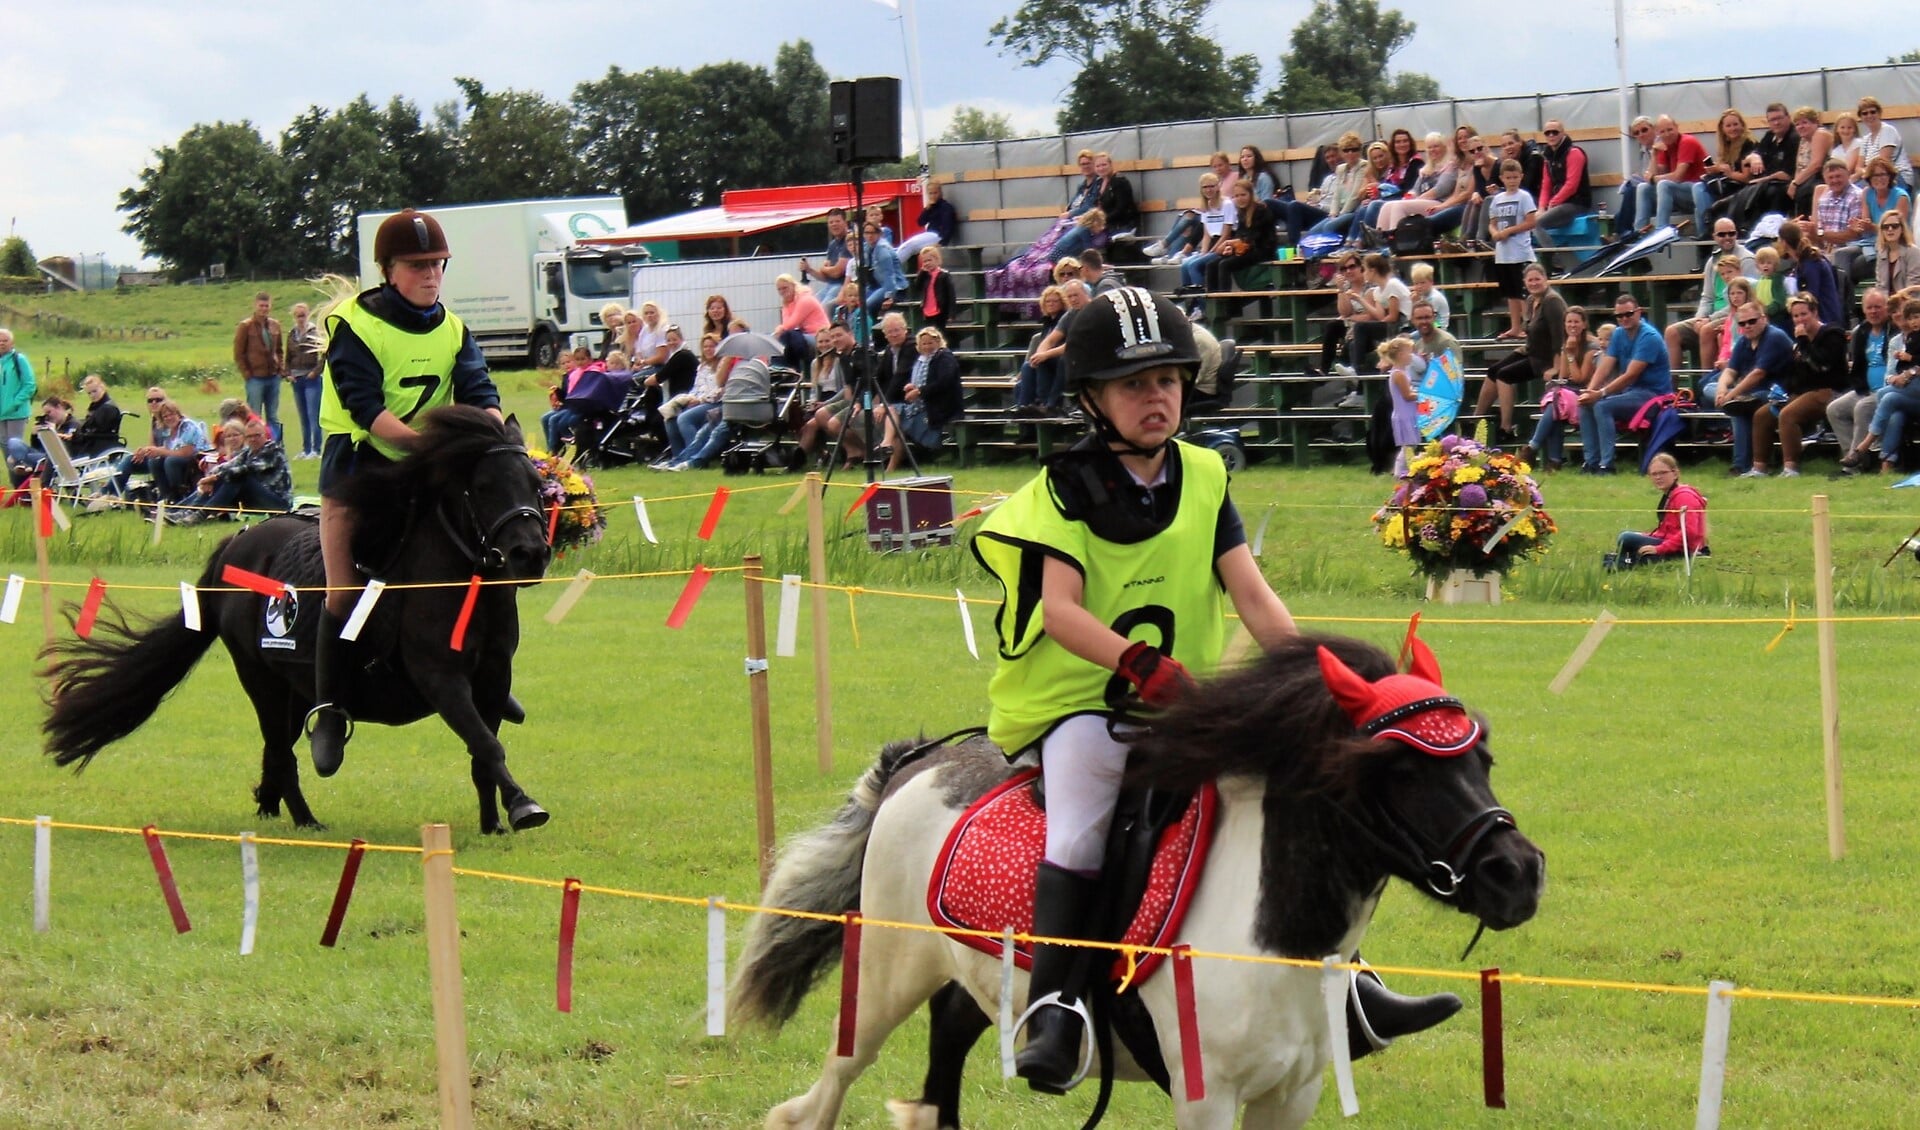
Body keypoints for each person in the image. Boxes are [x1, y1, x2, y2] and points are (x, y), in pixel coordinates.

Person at [972, 287, 1453, 1095]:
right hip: (1080, 702)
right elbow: (1059, 612)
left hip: (1185, 702)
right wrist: (1138, 666)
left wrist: (1309, 674)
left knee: (1294, 797)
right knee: (1083, 827)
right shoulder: (1061, 491)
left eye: (1167, 379)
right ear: (1091, 398)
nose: (1155, 397)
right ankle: (1056, 1004)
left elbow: (1252, 594)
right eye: (1133, 385)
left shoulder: (1202, 472)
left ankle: (1349, 983)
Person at [310, 208, 504, 777]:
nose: (431, 275)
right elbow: (368, 412)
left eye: (437, 264)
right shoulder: (355, 326)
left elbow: (480, 389)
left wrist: (490, 435)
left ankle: (488, 675)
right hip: (358, 473)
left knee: (481, 560)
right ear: (389, 269)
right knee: (344, 593)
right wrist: (433, 446)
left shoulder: (453, 327)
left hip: (427, 473)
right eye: (418, 266)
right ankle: (327, 710)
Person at [1750, 294, 1848, 476]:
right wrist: (1782, 393)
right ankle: (1759, 468)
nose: (1799, 320)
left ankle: (1791, 467)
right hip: (1803, 392)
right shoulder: (1798, 343)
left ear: (1815, 312)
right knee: (1762, 415)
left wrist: (1803, 341)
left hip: (1829, 390)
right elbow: (1797, 374)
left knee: (1788, 415)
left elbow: (1822, 366)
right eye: (1795, 316)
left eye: (1804, 314)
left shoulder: (1833, 333)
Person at [1578, 293, 1673, 474]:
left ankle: (1607, 465)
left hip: (1654, 395)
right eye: (1619, 316)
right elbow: (1605, 367)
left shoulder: (1649, 337)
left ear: (1639, 312)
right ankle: (1591, 462)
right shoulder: (1619, 334)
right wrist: (1589, 392)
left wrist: (1600, 394)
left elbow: (1630, 375)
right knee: (1585, 404)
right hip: (1631, 392)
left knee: (1602, 406)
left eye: (1628, 314)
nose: (1624, 319)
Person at [1477, 263, 1566, 444]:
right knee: (1493, 370)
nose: (1534, 283)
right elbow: (1529, 328)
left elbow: (1560, 338)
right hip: (1530, 350)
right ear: (1525, 282)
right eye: (1530, 280)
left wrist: (1556, 367)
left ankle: (1506, 428)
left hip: (1545, 358)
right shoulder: (1532, 301)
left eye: (1537, 279)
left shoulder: (1552, 302)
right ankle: (1476, 419)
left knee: (1505, 376)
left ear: (1545, 279)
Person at [1712, 300, 1796, 476]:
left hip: (1779, 393)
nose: (1747, 326)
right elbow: (1730, 371)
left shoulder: (1774, 337)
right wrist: (1721, 390)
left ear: (1763, 318)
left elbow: (1757, 374)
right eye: (1742, 323)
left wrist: (1730, 395)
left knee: (1738, 405)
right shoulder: (1744, 341)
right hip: (1751, 393)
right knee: (1713, 390)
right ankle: (1742, 465)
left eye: (1752, 321)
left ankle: (1741, 465)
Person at [170, 416, 293, 523]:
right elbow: (226, 466)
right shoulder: (248, 452)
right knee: (224, 477)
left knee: (238, 477)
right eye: (249, 436)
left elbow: (247, 469)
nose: (253, 439)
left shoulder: (274, 450)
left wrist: (215, 477)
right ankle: (178, 511)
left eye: (257, 435)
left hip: (279, 505)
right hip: (256, 500)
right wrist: (209, 478)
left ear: (266, 435)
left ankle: (199, 515)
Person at [1522, 304, 1600, 471]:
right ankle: (1554, 461)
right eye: (1568, 322)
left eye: (1576, 322)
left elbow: (1581, 379)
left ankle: (1532, 448)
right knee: (1556, 406)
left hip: (1586, 392)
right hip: (1568, 392)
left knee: (1557, 403)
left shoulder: (1592, 347)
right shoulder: (1567, 344)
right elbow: (1564, 376)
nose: (1572, 326)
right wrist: (1567, 352)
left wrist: (1570, 355)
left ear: (1584, 324)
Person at [1609, 453, 1709, 569]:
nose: (1658, 477)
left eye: (1662, 473)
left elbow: (1690, 533)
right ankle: (1625, 561)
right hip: (1671, 542)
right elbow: (1667, 530)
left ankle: (1622, 563)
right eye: (1654, 474)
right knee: (1629, 538)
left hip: (1684, 549)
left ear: (1675, 473)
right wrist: (1645, 536)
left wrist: (1659, 549)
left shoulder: (1684, 496)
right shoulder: (1671, 494)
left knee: (1626, 537)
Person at [1832, 288, 1893, 467]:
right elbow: (1856, 366)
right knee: (1835, 409)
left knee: (1861, 408)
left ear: (1887, 308)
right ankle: (1857, 458)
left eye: (1878, 307)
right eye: (1869, 307)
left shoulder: (1894, 331)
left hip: (1885, 391)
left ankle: (1853, 464)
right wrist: (1859, 386)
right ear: (1864, 310)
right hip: (1865, 388)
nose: (1873, 311)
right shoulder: (1861, 332)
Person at [883, 327, 962, 465]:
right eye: (924, 343)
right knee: (892, 414)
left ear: (938, 342)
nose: (927, 346)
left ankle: (887, 447)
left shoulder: (944, 357)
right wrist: (913, 387)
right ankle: (889, 456)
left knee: (895, 420)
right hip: (923, 404)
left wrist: (919, 392)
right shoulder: (921, 360)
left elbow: (943, 382)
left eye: (930, 343)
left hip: (939, 408)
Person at [1487, 159, 1539, 339]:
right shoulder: (1497, 199)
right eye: (1508, 178)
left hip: (1520, 252)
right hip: (1503, 254)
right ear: (1502, 178)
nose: (1512, 181)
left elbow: (1531, 222)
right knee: (1511, 294)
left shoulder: (1524, 197)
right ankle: (1515, 326)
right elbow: (1492, 223)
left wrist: (1509, 231)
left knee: (1523, 293)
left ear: (1521, 177)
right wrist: (1495, 233)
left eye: (1515, 177)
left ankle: (1528, 326)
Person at [1634, 115, 1706, 234]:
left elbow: (1678, 176)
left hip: (1696, 192)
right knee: (1643, 188)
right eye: (1662, 131)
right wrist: (1654, 154)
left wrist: (1654, 178)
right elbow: (1651, 177)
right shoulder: (1665, 146)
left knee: (1664, 185)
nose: (1667, 134)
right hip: (1679, 195)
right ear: (1658, 133)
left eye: (1670, 129)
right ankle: (1639, 233)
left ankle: (1661, 232)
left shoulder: (1687, 141)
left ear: (1677, 128)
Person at [1203, 182, 1278, 296]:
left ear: (1251, 194)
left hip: (1262, 249)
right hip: (1247, 248)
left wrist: (1230, 243)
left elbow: (1254, 237)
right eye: (1236, 196)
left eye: (1243, 195)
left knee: (1225, 264)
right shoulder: (1241, 212)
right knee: (1211, 265)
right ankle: (1212, 303)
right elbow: (1240, 235)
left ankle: (1225, 304)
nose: (1240, 199)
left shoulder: (1261, 210)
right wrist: (1230, 248)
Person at [1529, 119, 1592, 250]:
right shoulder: (1547, 156)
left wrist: (1551, 204)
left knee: (1536, 223)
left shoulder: (1574, 153)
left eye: (1555, 132)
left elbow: (1572, 185)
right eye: (1547, 133)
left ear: (1563, 133)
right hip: (1560, 204)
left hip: (1576, 204)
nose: (1551, 135)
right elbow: (1546, 184)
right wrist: (1541, 208)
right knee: (1529, 220)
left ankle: (1554, 261)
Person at [233, 291, 284, 443]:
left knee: (273, 416)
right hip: (255, 378)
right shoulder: (245, 326)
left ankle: (275, 445)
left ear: (270, 306)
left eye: (266, 306)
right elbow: (238, 353)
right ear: (255, 306)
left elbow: (279, 350)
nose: (264, 309)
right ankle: (256, 445)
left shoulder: (275, 325)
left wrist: (280, 368)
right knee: (254, 415)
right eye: (261, 306)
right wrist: (247, 375)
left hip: (273, 377)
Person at [1693, 109, 1757, 226]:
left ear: (1742, 125)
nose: (1732, 128)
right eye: (1728, 126)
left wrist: (1729, 173)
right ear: (1723, 129)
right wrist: (1716, 169)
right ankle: (1708, 233)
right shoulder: (1727, 145)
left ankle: (1709, 231)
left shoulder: (1748, 144)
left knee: (1700, 190)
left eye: (1735, 124)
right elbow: (1726, 168)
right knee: (1699, 195)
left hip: (1744, 189)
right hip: (1729, 186)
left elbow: (1748, 178)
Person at [285, 302, 325, 459]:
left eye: (303, 315)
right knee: (303, 416)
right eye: (298, 315)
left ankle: (316, 449)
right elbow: (288, 356)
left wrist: (316, 372)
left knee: (313, 414)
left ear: (308, 315)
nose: (301, 318)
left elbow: (323, 354)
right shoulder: (291, 334)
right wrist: (287, 373)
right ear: (294, 317)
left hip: (311, 377)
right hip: (296, 377)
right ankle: (306, 448)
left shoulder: (315, 332)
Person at [1380, 336, 1421, 476]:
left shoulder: (1401, 372)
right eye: (1410, 352)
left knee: (1410, 446)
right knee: (1408, 446)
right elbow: (1407, 395)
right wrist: (1423, 395)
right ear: (1401, 355)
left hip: (1407, 413)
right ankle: (1400, 473)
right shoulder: (1399, 375)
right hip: (1405, 415)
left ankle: (1405, 471)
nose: (1412, 356)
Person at [1610, 117, 1657, 237]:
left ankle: (1623, 234)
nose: (1641, 134)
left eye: (1644, 130)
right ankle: (1622, 234)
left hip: (1662, 192)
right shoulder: (1645, 151)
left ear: (1654, 129)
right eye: (1636, 133)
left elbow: (1657, 174)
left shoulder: (1661, 147)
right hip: (1650, 190)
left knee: (1632, 189)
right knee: (1618, 215)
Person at [896, 179, 959, 266]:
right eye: (930, 193)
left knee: (910, 245)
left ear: (940, 193)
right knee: (906, 245)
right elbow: (920, 222)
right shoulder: (931, 207)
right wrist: (927, 209)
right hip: (929, 234)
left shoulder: (946, 207)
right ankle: (892, 265)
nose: (933, 196)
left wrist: (942, 243)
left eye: (935, 193)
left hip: (937, 236)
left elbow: (948, 227)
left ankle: (892, 267)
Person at [774, 274, 829, 371]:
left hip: (818, 334)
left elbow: (791, 324)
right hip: (806, 333)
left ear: (793, 286)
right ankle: (786, 369)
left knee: (788, 337)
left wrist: (780, 329)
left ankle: (793, 369)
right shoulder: (788, 303)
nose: (782, 291)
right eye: (779, 289)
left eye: (785, 288)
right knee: (785, 338)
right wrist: (786, 305)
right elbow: (786, 324)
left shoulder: (805, 299)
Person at [798, 207, 853, 302]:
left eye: (837, 221)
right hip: (830, 285)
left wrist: (824, 269)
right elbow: (825, 277)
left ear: (845, 222)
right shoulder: (832, 244)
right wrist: (809, 269)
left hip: (844, 286)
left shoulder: (849, 241)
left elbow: (837, 272)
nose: (834, 225)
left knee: (823, 308)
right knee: (812, 305)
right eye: (831, 222)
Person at [1856, 96, 1912, 188]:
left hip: (1897, 176)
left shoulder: (1887, 130)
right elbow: (1858, 167)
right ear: (1861, 117)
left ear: (1879, 113)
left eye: (1873, 112)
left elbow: (1883, 163)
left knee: (1858, 191)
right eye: (1865, 113)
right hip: (1873, 177)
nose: (1869, 115)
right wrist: (1861, 173)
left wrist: (1862, 173)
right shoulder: (1865, 139)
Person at [68, 373, 124, 459]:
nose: (92, 395)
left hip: (101, 444)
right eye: (89, 393)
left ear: (102, 388)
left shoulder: (108, 408)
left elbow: (97, 430)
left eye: (94, 391)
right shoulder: (95, 406)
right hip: (92, 441)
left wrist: (77, 436)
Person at [0, 328, 37, 449]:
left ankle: (20, 468)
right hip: (1, 413)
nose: (2, 343)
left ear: (12, 343)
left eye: (5, 340)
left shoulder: (19, 359)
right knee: (5, 446)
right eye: (0, 341)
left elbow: (30, 385)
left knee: (15, 447)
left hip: (16, 413)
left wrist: (15, 402)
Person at [912, 247, 956, 334]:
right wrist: (922, 273)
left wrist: (951, 313)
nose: (927, 263)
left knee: (939, 332)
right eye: (924, 261)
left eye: (929, 260)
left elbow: (951, 295)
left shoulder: (944, 275)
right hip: (927, 310)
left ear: (937, 260)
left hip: (940, 310)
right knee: (929, 332)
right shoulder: (925, 275)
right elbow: (917, 286)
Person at [1407, 262, 1449, 331]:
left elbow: (1429, 320)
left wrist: (1416, 303)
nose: (1419, 286)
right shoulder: (1421, 296)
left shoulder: (1435, 297)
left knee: (1409, 337)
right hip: (1425, 327)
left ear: (1431, 282)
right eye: (1416, 283)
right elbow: (1412, 320)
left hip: (1438, 328)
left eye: (1422, 283)